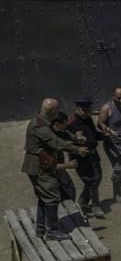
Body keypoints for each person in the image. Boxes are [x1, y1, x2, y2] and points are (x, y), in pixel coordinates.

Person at [21, 98, 90, 240]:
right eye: (57, 110)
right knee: (52, 197)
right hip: (40, 166)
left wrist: (74, 138)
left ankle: (41, 229)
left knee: (44, 196)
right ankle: (51, 231)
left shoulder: (42, 121)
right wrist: (77, 149)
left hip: (39, 164)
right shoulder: (40, 126)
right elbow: (56, 142)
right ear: (52, 111)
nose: (58, 113)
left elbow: (58, 134)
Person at [68, 98, 105, 218]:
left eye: (88, 110)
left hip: (93, 155)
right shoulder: (72, 121)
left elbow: (93, 134)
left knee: (97, 179)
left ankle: (83, 202)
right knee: (91, 181)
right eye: (84, 110)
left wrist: (106, 134)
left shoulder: (87, 118)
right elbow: (75, 136)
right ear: (77, 108)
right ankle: (95, 205)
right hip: (81, 157)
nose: (86, 112)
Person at [50, 112, 78, 202]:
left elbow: (70, 136)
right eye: (64, 124)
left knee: (69, 190)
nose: (67, 126)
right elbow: (50, 166)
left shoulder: (61, 131)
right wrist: (68, 165)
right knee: (67, 191)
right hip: (52, 170)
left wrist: (77, 137)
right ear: (57, 124)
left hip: (59, 168)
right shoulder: (49, 137)